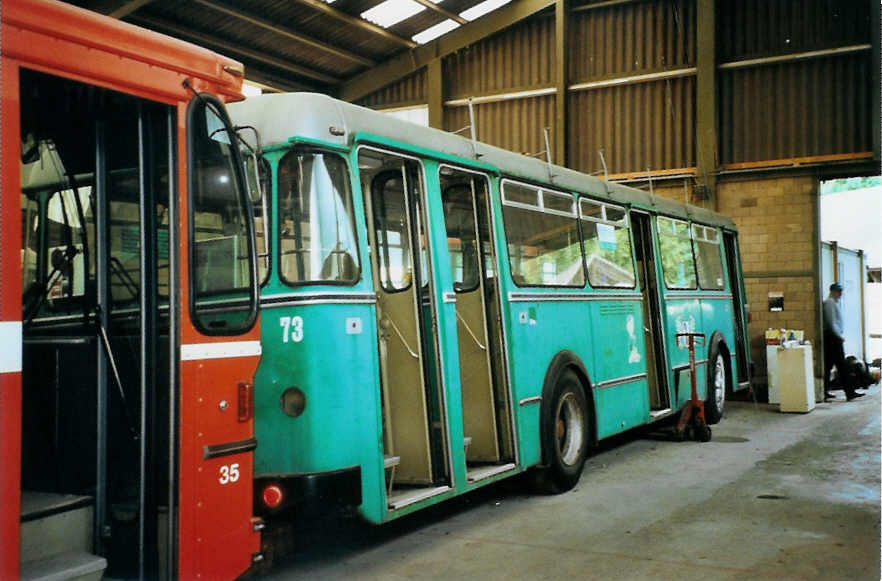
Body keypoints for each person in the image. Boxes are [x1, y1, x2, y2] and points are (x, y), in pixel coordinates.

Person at [823, 282, 864, 401]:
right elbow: (831, 322)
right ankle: (850, 393)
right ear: (832, 291)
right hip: (833, 338)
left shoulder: (834, 302)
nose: (840, 294)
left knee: (828, 366)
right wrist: (838, 336)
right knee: (842, 366)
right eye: (838, 291)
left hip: (832, 337)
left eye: (841, 291)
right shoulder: (830, 303)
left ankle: (825, 391)